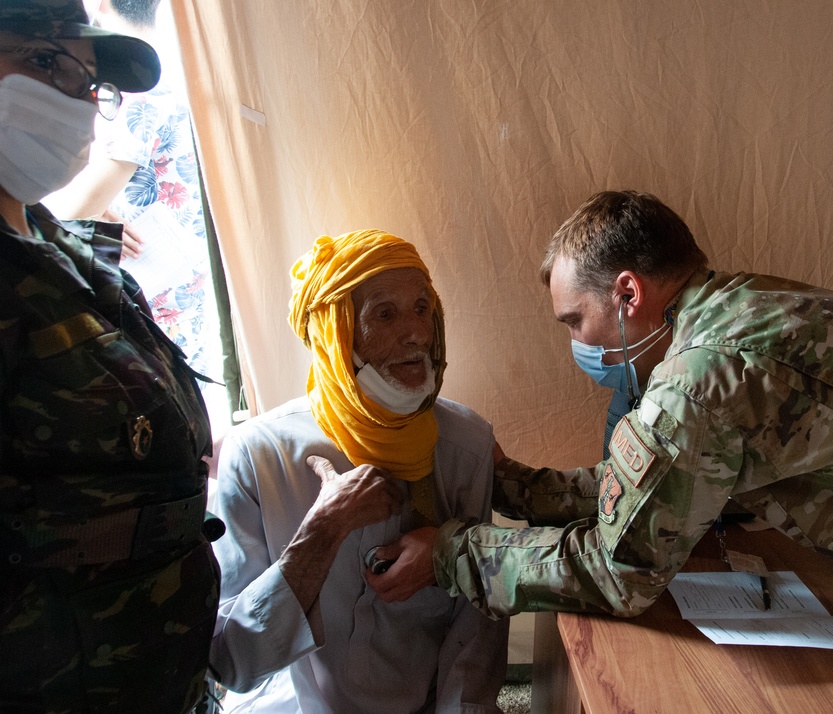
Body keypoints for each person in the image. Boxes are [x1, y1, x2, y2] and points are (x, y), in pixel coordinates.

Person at [378, 189, 833, 657]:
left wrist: (450, 553)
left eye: (574, 321)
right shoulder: (746, 304)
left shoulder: (700, 378)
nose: (577, 341)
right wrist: (510, 482)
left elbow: (616, 572)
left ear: (628, 295)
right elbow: (650, 481)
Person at [0, 1, 221, 712]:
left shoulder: (55, 243)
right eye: (44, 62)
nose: (78, 102)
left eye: (90, 82)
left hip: (155, 671)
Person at [209, 229, 508, 713]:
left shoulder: (465, 445)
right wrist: (324, 530)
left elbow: (473, 637)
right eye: (385, 314)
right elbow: (233, 660)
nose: (416, 334)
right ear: (336, 331)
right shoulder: (258, 456)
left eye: (422, 308)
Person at [43, 0, 226, 397]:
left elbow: (70, 211)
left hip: (151, 280)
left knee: (157, 397)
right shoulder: (174, 81)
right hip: (182, 273)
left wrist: (86, 211)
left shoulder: (130, 103)